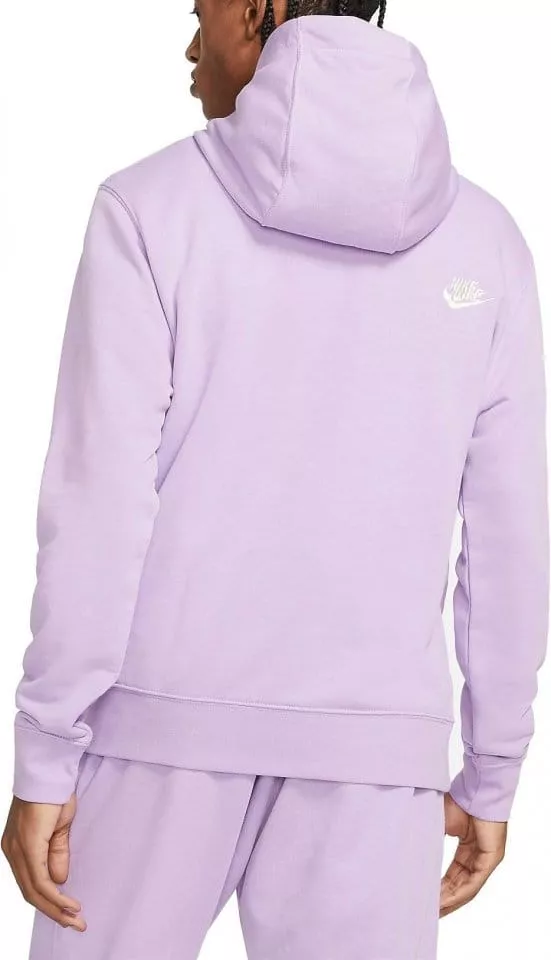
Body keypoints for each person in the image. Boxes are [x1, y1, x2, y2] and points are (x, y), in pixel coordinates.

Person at [2, 1, 548, 958]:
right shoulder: (486, 242)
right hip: (375, 762)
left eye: (198, 8)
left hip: (155, 738)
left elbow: (98, 509)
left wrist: (47, 752)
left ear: (256, 6)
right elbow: (513, 536)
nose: (188, 41)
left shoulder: (149, 208)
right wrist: (491, 768)